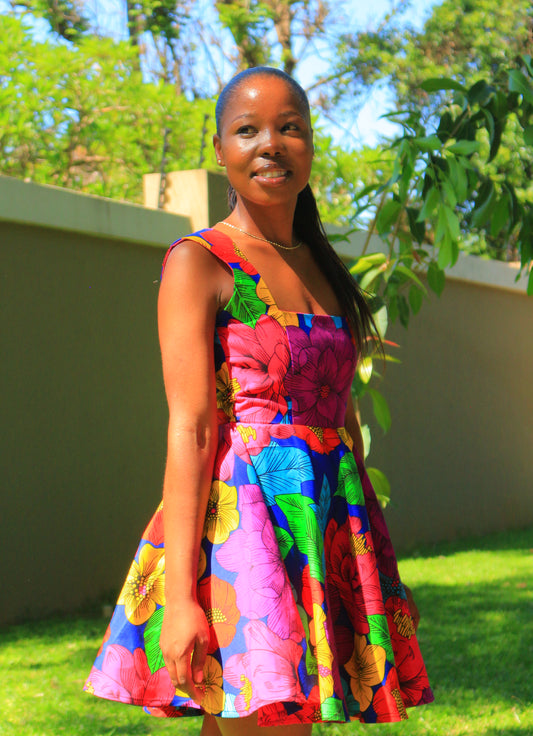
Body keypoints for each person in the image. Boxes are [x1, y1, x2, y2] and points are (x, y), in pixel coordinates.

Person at [84, 66, 433, 733]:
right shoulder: (202, 261)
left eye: (289, 128)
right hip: (243, 537)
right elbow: (188, 429)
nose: (269, 144)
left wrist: (369, 566)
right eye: (247, 129)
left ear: (309, 145)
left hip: (324, 528)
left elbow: (343, 424)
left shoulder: (321, 265)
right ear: (220, 148)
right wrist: (182, 598)